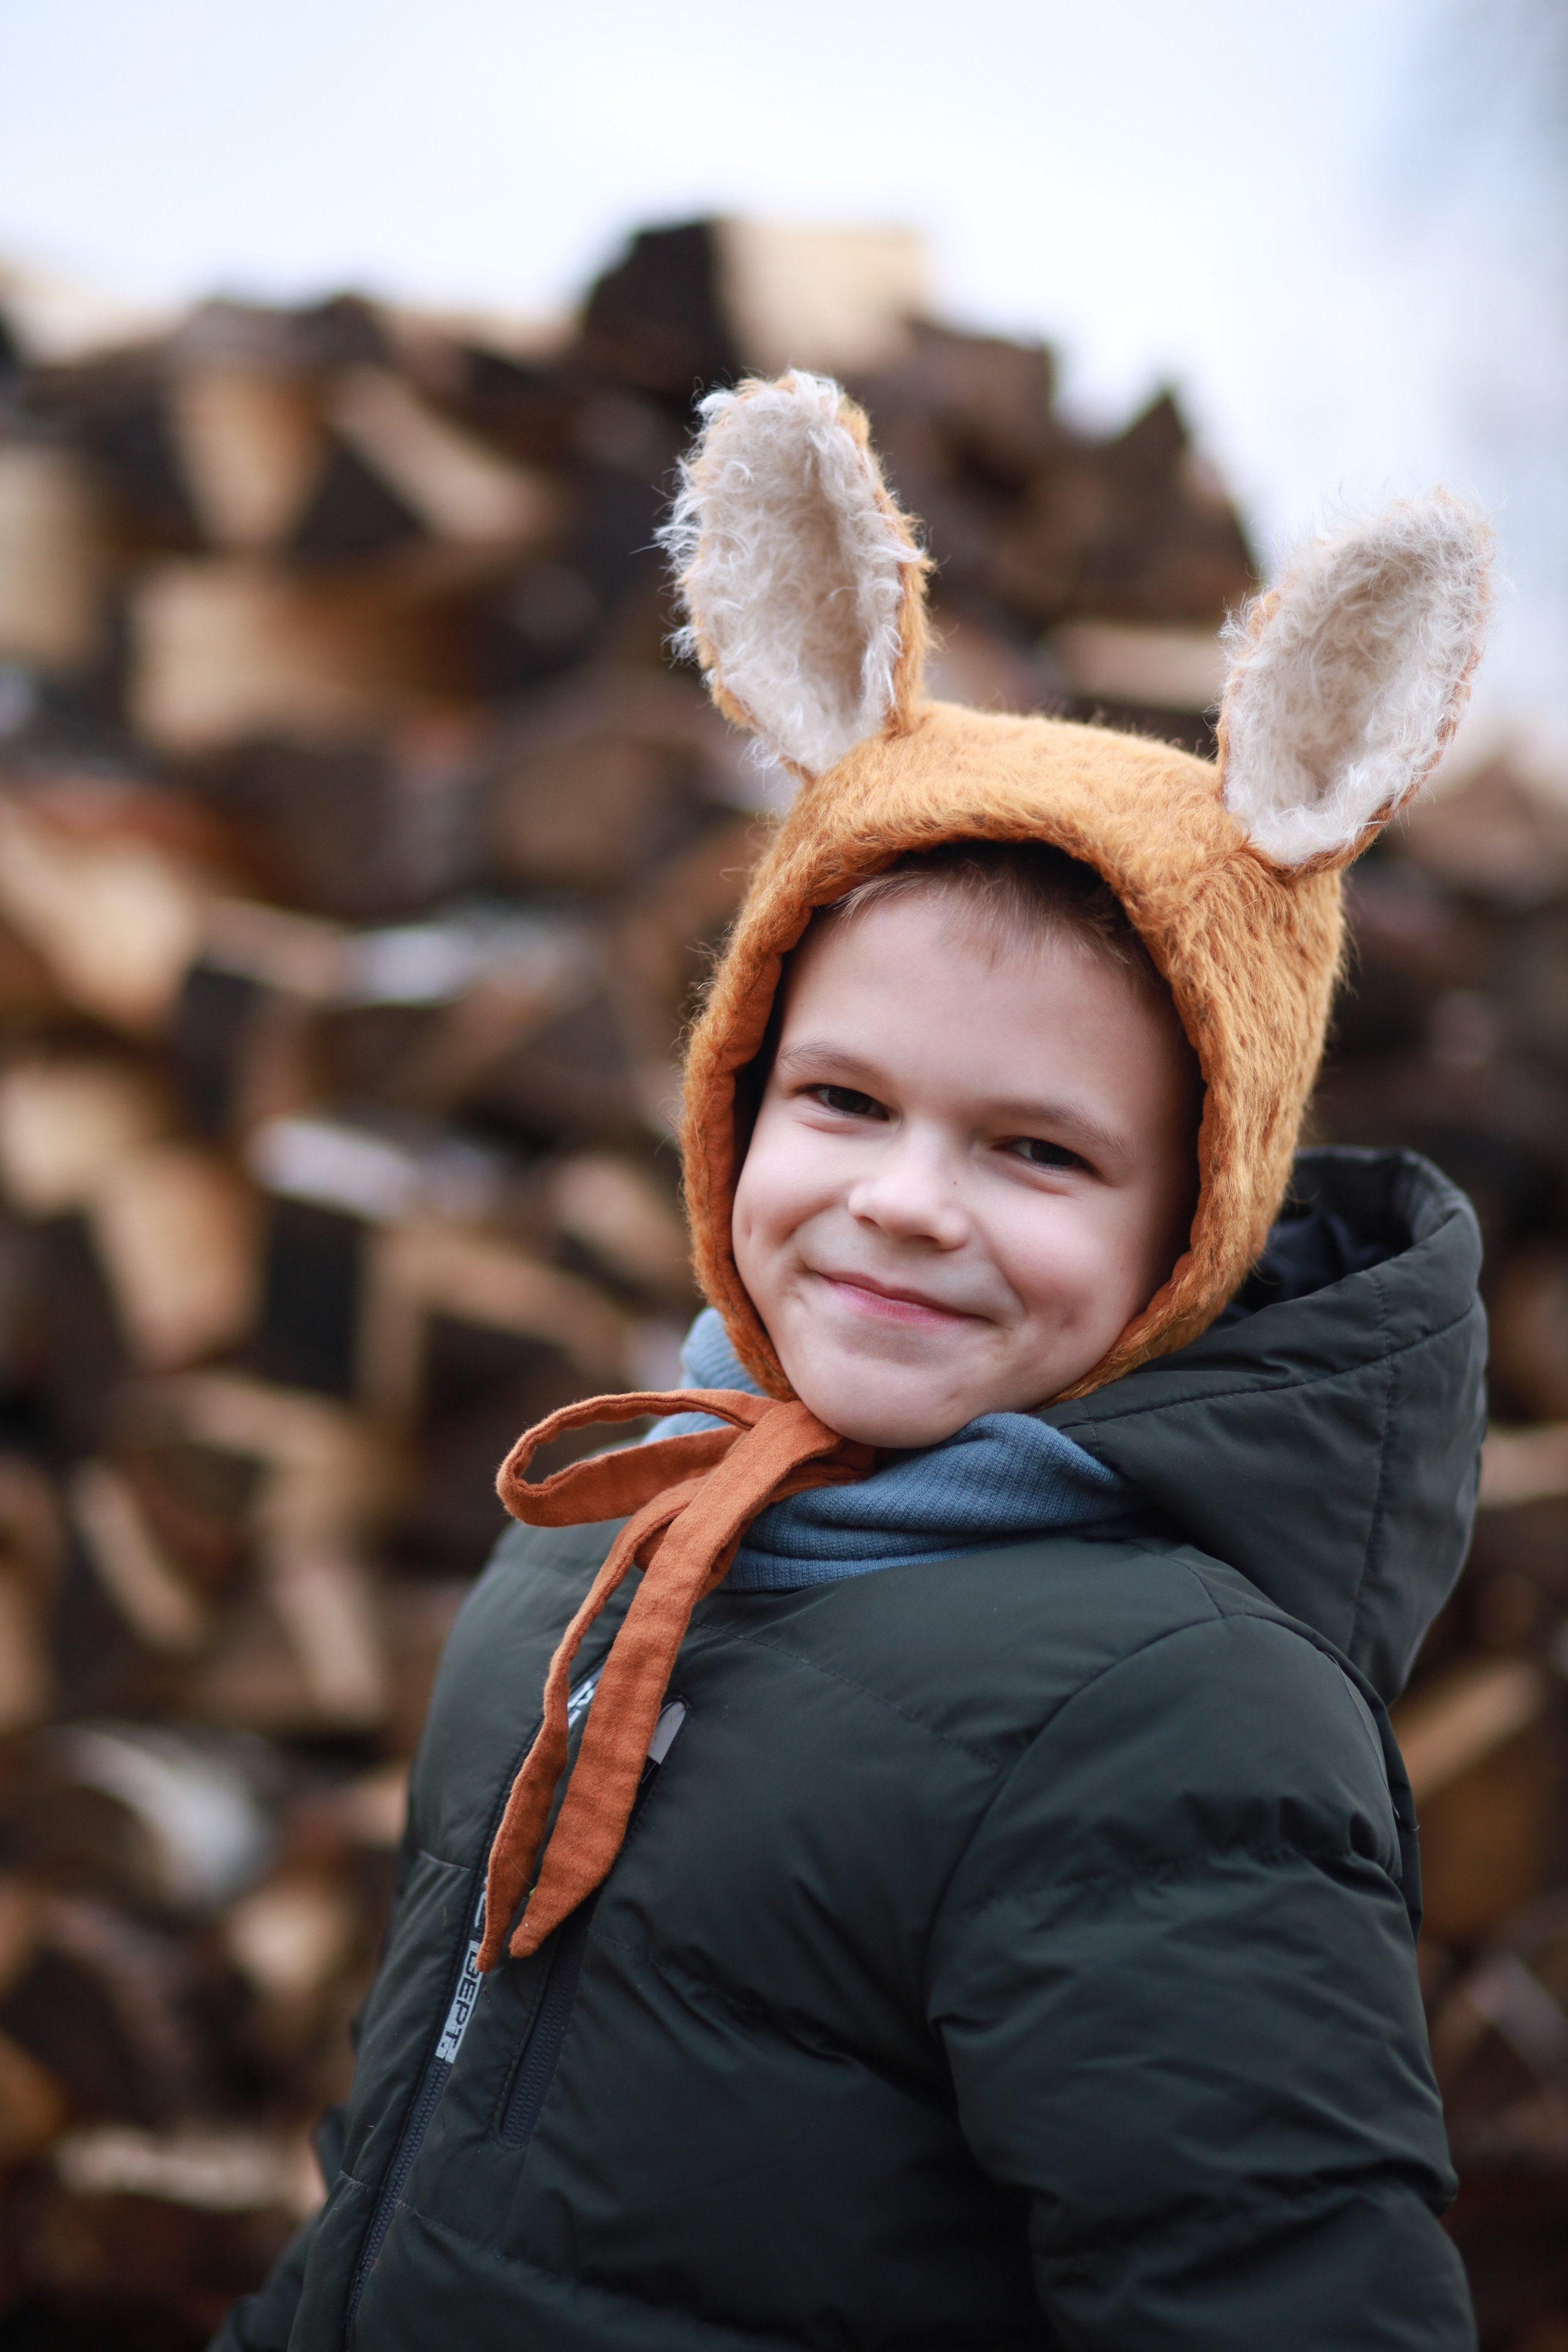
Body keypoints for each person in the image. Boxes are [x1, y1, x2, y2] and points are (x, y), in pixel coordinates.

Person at [216, 374, 1491, 2350]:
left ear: (1196, 1223)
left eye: (1038, 1151)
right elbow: (409, 2166)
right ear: (736, 1097)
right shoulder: (611, 1533)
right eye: (843, 1100)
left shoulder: (1174, 1727)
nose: (905, 1201)